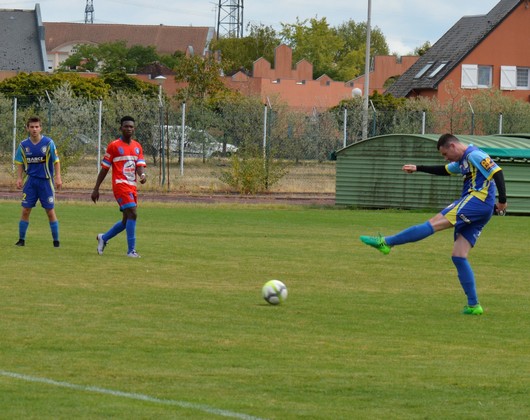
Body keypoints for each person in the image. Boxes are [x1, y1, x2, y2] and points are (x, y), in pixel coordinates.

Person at [360, 133, 507, 315]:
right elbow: (444, 170)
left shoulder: (473, 155)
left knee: (432, 223)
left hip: (477, 201)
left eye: (445, 154)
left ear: (453, 146)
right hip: (481, 208)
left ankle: (386, 242)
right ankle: (473, 305)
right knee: (459, 256)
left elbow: (497, 172)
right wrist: (418, 168)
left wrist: (502, 201)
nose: (445, 158)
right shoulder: (462, 161)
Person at [91, 116, 147, 258]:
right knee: (133, 213)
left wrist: (142, 175)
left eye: (131, 126)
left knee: (126, 220)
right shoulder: (114, 146)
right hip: (120, 185)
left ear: (134, 129)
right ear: (121, 128)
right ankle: (131, 251)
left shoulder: (137, 146)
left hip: (132, 186)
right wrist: (96, 188)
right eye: (126, 126)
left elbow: (139, 166)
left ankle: (103, 238)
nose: (129, 129)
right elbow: (104, 169)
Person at [14, 116, 62, 247]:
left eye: (36, 127)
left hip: (46, 182)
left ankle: (56, 242)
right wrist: (19, 178)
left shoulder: (48, 143)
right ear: (27, 128)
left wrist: (58, 177)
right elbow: (19, 162)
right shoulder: (23, 145)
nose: (34, 129)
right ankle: (21, 240)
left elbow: (56, 161)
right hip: (30, 182)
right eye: (32, 127)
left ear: (41, 128)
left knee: (50, 211)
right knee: (25, 210)